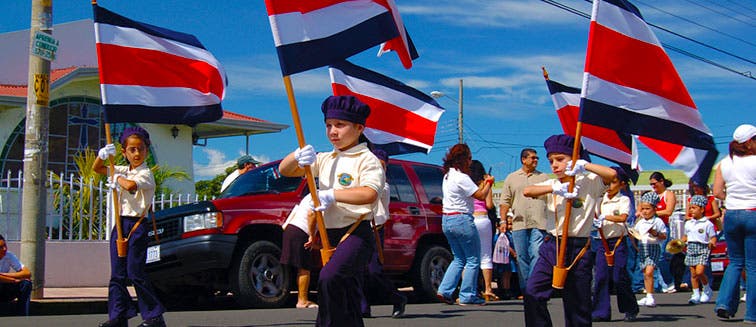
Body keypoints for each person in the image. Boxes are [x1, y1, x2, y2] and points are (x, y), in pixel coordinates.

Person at [279, 95, 383, 327]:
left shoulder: (368, 159)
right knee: (347, 293)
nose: (332, 131)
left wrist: (332, 194)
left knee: (329, 279)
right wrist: (295, 156)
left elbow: (369, 193)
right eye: (328, 125)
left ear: (359, 128)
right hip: (330, 235)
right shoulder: (325, 159)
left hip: (355, 232)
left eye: (340, 125)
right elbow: (286, 171)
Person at [522, 134, 616, 326]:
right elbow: (528, 191)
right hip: (552, 245)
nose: (554, 165)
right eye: (551, 161)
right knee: (533, 292)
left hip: (578, 247)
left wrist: (584, 165)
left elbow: (611, 175)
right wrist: (554, 189)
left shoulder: (589, 180)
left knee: (578, 303)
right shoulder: (552, 184)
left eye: (560, 159)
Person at [94, 127, 166, 327]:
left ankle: (154, 316)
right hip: (120, 225)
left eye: (140, 149)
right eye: (132, 150)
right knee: (117, 274)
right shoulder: (123, 169)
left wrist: (116, 178)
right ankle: (119, 315)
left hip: (136, 226)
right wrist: (103, 155)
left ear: (147, 150)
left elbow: (131, 186)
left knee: (135, 272)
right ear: (124, 152)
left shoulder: (146, 173)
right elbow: (97, 168)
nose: (136, 153)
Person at [436, 143, 494, 306]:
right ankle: (467, 295)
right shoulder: (462, 177)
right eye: (469, 158)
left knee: (459, 258)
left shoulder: (447, 175)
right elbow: (481, 196)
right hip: (462, 219)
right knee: (473, 259)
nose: (470, 161)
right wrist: (488, 182)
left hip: (447, 219)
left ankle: (444, 290)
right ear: (463, 159)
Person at [713, 123, 756, 322]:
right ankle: (752, 313)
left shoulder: (725, 162)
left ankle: (724, 304)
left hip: (731, 214)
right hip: (752, 212)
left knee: (736, 262)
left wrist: (731, 198)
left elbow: (717, 192)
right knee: (753, 265)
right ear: (749, 142)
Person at [358, 148, 407, 319]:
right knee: (358, 270)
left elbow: (369, 195)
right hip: (358, 228)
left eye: (381, 166)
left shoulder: (383, 186)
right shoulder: (362, 180)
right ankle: (363, 307)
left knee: (373, 271)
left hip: (375, 230)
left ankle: (398, 297)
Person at [498, 148, 549, 296]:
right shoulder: (511, 178)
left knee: (537, 254)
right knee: (521, 257)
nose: (535, 160)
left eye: (536, 158)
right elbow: (504, 201)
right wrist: (502, 221)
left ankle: (534, 287)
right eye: (532, 158)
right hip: (519, 223)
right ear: (523, 159)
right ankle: (526, 288)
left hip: (539, 223)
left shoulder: (544, 177)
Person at [592, 166, 639, 322]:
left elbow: (623, 217)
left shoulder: (623, 199)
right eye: (606, 183)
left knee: (619, 276)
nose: (609, 186)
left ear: (621, 184)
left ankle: (630, 308)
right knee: (600, 277)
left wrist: (606, 217)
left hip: (618, 241)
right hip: (602, 242)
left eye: (612, 182)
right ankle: (600, 312)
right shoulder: (599, 200)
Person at [280, 195, 318, 309]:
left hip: (291, 228)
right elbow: (312, 214)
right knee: (304, 267)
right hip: (301, 231)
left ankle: (300, 298)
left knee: (298, 266)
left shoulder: (309, 195)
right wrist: (311, 235)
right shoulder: (320, 196)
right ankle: (302, 301)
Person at [469, 160, 498, 301]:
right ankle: (488, 289)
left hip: (470, 219)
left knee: (469, 256)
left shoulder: (466, 183)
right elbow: (489, 204)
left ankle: (470, 288)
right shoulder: (485, 183)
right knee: (486, 255)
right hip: (483, 219)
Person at [634, 191, 668, 308]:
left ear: (654, 209)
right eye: (642, 209)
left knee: (649, 271)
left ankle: (650, 296)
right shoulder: (640, 222)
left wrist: (655, 233)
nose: (644, 211)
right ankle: (648, 294)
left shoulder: (658, 221)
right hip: (643, 247)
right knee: (645, 272)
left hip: (653, 247)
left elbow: (664, 236)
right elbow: (636, 233)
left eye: (647, 209)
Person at [648, 171, 679, 293]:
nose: (653, 187)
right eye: (651, 184)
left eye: (655, 184)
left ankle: (669, 281)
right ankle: (657, 284)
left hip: (662, 228)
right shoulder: (652, 195)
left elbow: (668, 211)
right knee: (651, 258)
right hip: (650, 228)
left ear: (661, 181)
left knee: (660, 256)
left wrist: (652, 213)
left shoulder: (668, 194)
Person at [683, 195, 717, 304]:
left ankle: (707, 289)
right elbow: (686, 236)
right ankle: (695, 294)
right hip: (691, 247)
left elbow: (713, 237)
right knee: (693, 273)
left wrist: (712, 243)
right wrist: (680, 242)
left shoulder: (707, 224)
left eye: (694, 208)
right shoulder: (688, 223)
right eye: (690, 208)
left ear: (702, 209)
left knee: (700, 271)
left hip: (702, 247)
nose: (691, 210)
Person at [0, 234, 31, 316]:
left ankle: (22, 317)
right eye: (1, 247)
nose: (4, 249)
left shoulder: (9, 255)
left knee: (26, 284)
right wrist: (13, 280)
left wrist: (4, 275)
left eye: (5, 245)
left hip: (4, 289)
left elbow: (27, 273)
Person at [492, 217, 517, 300]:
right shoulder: (499, 236)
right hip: (503, 258)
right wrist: (513, 253)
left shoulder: (510, 234)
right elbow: (506, 246)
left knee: (508, 275)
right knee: (504, 274)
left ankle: (508, 289)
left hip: (509, 259)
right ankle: (504, 290)